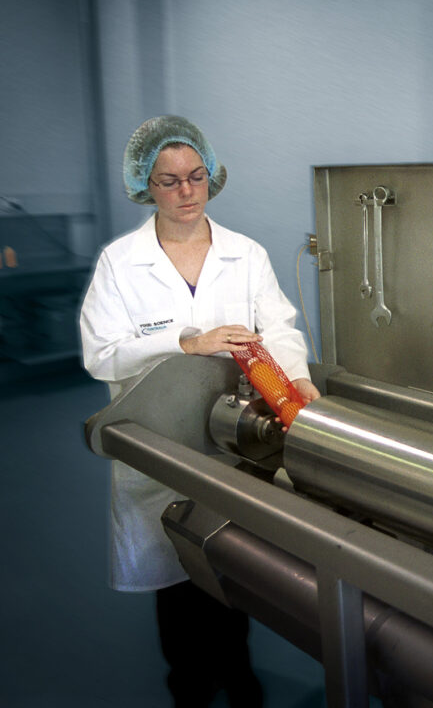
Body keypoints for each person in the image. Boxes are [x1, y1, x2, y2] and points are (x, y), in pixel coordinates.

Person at [79, 115, 320, 707]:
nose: (186, 193)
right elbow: (101, 355)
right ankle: (187, 686)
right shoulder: (120, 263)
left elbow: (279, 327)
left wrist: (297, 383)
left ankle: (239, 678)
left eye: (196, 177)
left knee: (227, 562)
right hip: (156, 441)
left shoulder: (244, 253)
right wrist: (186, 343)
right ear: (145, 186)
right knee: (174, 582)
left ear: (211, 176)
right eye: (167, 181)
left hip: (233, 438)